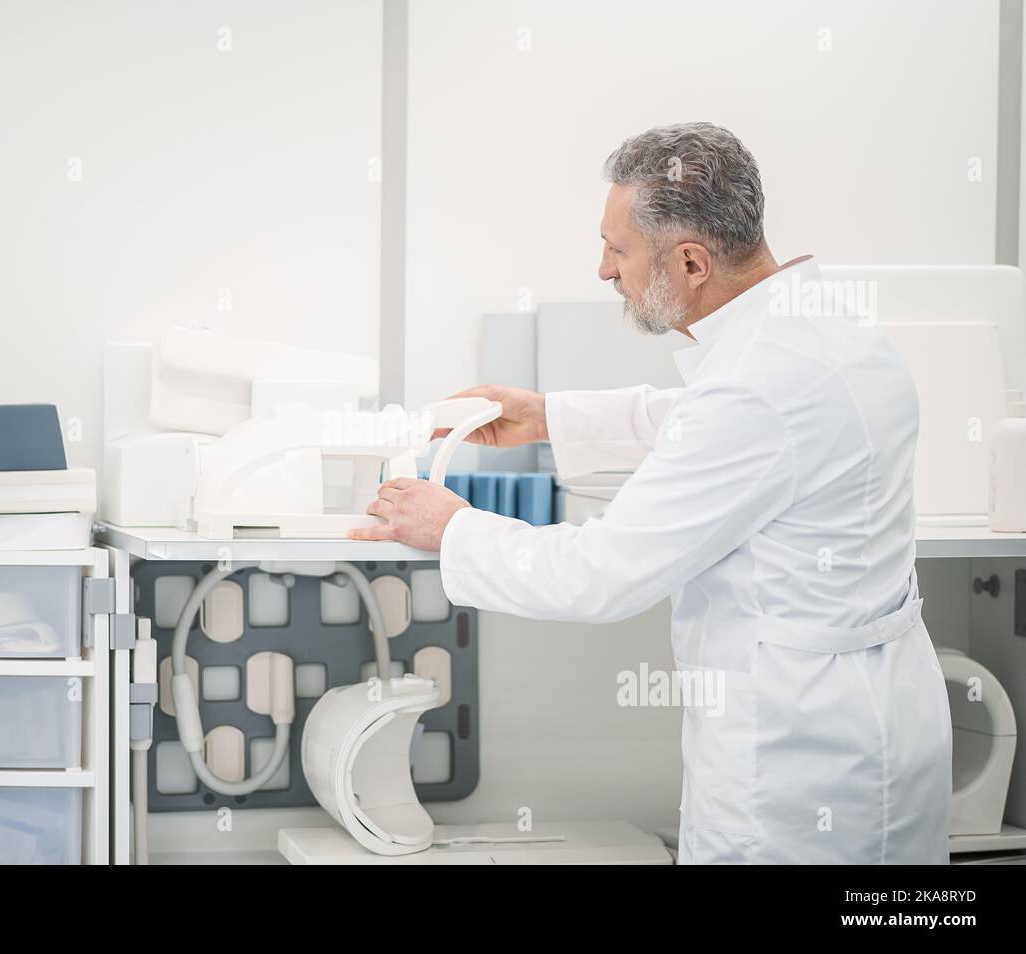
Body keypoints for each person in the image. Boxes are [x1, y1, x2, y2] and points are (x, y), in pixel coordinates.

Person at [352, 122, 952, 864]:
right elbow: (726, 428)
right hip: (874, 724)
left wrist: (454, 528)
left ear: (692, 262)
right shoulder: (824, 328)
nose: (605, 270)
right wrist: (548, 415)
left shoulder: (756, 385)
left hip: (801, 767)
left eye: (619, 250)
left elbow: (599, 574)